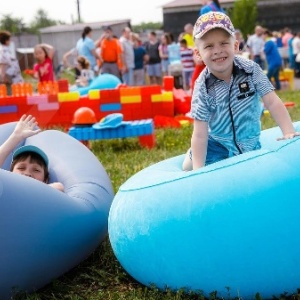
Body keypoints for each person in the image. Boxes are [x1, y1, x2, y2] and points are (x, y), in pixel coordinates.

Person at [182, 11, 300, 171]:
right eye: (209, 46)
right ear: (198, 54)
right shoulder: (202, 86)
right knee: (188, 166)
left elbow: (272, 101)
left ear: (235, 46)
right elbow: (200, 131)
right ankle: (190, 158)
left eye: (224, 43)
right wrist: (198, 169)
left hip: (249, 141)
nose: (217, 50)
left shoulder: (251, 70)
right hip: (217, 144)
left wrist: (288, 132)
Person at [0, 114, 64, 192]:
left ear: (45, 180)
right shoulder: (6, 189)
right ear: (11, 173)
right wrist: (15, 137)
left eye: (36, 170)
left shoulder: (47, 192)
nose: (27, 173)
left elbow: (59, 187)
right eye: (21, 168)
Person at [0, 30, 23, 95]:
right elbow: (3, 63)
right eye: (9, 40)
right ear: (6, 41)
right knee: (10, 92)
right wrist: (3, 76)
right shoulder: (3, 51)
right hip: (9, 75)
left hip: (10, 74)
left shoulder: (4, 50)